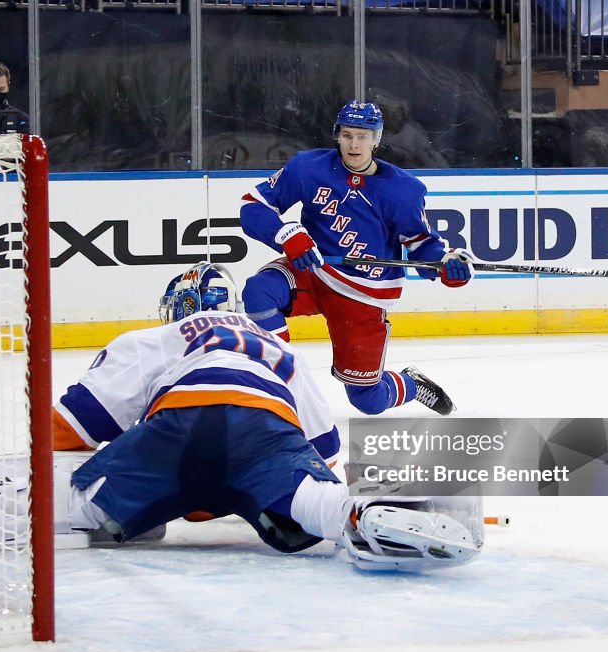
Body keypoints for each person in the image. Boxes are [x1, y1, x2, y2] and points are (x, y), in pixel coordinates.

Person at [48, 262, 482, 571]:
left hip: (180, 426)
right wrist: (255, 485)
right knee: (319, 503)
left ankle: (21, 504)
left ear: (183, 305)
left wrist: (121, 467)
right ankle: (366, 511)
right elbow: (323, 454)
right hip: (266, 428)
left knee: (70, 504)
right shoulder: (280, 347)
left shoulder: (159, 336)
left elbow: (69, 428)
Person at [239, 99, 474, 417]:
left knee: (368, 400)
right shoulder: (308, 168)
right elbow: (253, 206)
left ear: (376, 139)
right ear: (337, 135)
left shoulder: (402, 190)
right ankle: (279, 385)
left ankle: (411, 384)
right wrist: (286, 235)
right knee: (260, 291)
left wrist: (446, 263)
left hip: (363, 293)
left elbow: (421, 246)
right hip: (313, 271)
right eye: (348, 135)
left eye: (363, 136)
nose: (354, 144)